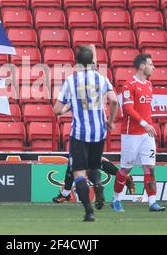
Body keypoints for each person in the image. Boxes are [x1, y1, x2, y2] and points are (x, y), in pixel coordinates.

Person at [54, 45, 119, 222]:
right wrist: (111, 121)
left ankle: (89, 211)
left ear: (76, 62)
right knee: (94, 166)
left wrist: (64, 108)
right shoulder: (102, 78)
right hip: (99, 133)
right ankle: (97, 184)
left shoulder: (71, 80)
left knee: (79, 174)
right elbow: (114, 101)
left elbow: (57, 109)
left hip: (80, 134)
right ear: (92, 61)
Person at [111, 53, 166, 213]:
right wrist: (144, 123)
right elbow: (128, 109)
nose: (153, 67)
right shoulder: (129, 85)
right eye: (151, 64)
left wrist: (147, 125)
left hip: (146, 135)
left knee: (149, 168)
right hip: (131, 134)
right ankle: (116, 200)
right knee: (125, 169)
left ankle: (153, 202)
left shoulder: (149, 85)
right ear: (142, 66)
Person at [52, 160, 135, 203]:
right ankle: (66, 194)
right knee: (74, 165)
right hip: (84, 140)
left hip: (89, 140)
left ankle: (124, 176)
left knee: (95, 162)